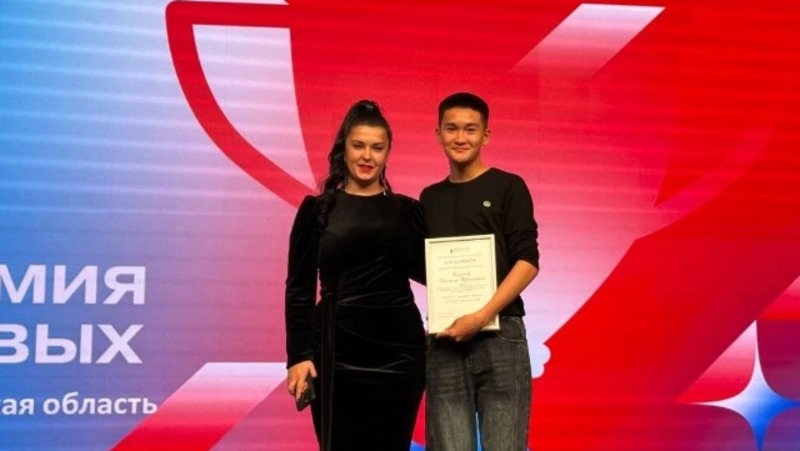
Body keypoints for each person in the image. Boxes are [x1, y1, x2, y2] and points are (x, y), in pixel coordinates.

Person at [284, 100, 426, 451]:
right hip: (334, 353)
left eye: (377, 147)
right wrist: (298, 356)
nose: (367, 156)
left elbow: (434, 273)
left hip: (401, 355)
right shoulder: (316, 210)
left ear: (388, 152)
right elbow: (299, 290)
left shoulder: (409, 210)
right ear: (343, 148)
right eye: (358, 145)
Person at [420, 92, 540, 451]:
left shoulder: (508, 187)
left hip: (501, 333)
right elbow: (429, 267)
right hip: (446, 337)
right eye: (452, 128)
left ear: (485, 135)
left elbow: (527, 262)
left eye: (470, 129)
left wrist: (482, 315)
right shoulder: (429, 198)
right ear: (438, 133)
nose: (460, 138)